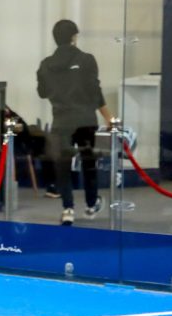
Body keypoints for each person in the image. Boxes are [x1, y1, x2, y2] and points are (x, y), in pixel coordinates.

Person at [35, 19, 113, 225]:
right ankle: (91, 204)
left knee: (63, 166)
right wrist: (109, 117)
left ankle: (68, 208)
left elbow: (42, 92)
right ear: (74, 37)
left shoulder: (45, 64)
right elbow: (95, 92)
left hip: (61, 121)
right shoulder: (87, 60)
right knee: (89, 162)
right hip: (85, 120)